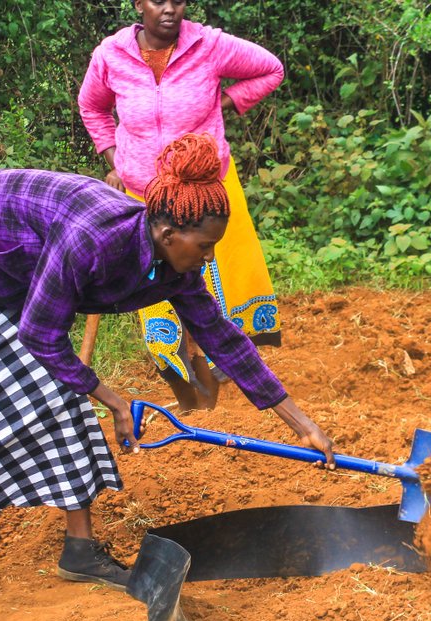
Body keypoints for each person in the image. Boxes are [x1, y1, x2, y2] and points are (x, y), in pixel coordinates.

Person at [0, 133, 334, 590]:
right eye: (204, 246)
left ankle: (79, 552)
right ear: (167, 234)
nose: (209, 256)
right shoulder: (91, 241)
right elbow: (41, 336)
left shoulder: (177, 270)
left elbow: (223, 338)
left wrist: (302, 425)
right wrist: (115, 402)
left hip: (27, 257)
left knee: (60, 391)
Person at [78, 0, 284, 412]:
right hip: (144, 192)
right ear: (139, 4)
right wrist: (114, 157)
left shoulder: (210, 46)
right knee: (156, 283)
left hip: (203, 190)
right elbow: (93, 107)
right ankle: (184, 378)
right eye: (158, 1)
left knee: (213, 277)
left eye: (177, 0)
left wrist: (223, 103)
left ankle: (229, 372)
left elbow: (271, 69)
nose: (169, 9)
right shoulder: (110, 56)